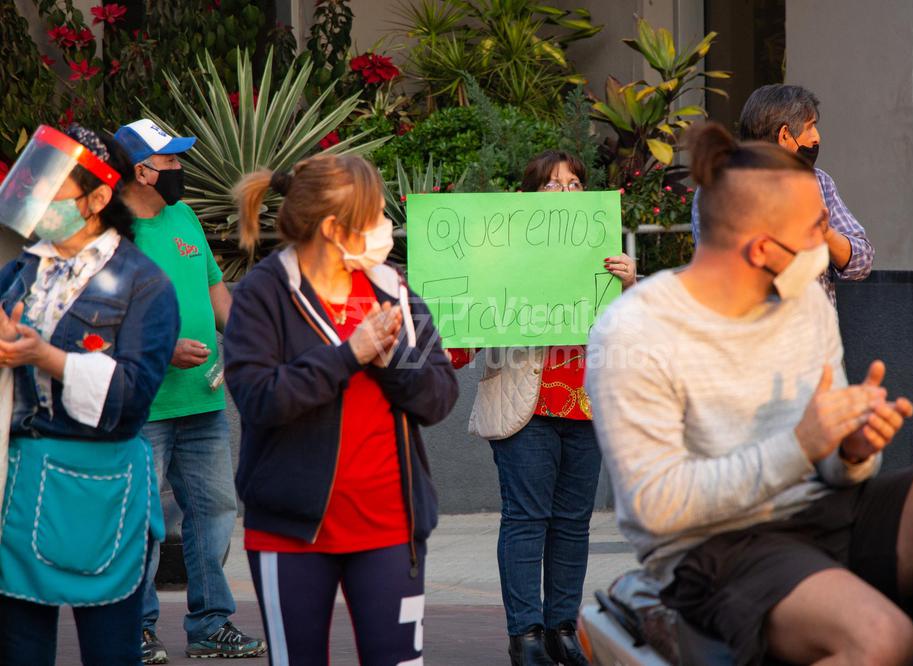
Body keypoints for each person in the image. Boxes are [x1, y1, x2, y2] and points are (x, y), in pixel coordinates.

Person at [586, 123, 913, 665]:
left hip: (826, 514)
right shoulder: (635, 331)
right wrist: (801, 444)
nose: (828, 242)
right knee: (883, 639)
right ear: (761, 248)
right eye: (816, 229)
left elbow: (834, 467)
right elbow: (657, 507)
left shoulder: (805, 303)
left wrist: (850, 449)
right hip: (717, 549)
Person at [225, 153, 458, 665]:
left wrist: (390, 361)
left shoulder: (391, 288)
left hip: (391, 528)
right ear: (333, 228)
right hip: (290, 532)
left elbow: (440, 395)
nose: (385, 227)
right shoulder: (266, 292)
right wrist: (348, 355)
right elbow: (259, 398)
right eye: (374, 215)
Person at [0, 124, 179, 665]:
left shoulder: (145, 284)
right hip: (20, 483)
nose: (38, 200)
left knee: (110, 651)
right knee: (19, 651)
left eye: (53, 190)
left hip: (102, 489)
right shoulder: (20, 271)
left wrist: (45, 357)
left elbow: (131, 399)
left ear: (98, 199)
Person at [449, 150, 637, 666]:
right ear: (526, 198)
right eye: (553, 185)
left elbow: (635, 333)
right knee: (527, 519)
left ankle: (562, 630)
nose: (566, 194)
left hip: (586, 405)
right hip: (523, 404)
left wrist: (630, 286)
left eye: (575, 185)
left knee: (574, 523)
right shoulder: (498, 255)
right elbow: (465, 331)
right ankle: (526, 635)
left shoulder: (604, 257)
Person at [114, 118, 265, 662]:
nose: (181, 169)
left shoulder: (185, 217)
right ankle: (135, 628)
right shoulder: (111, 233)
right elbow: (99, 320)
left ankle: (210, 624)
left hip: (203, 400)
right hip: (144, 405)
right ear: (142, 171)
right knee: (141, 523)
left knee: (215, 512)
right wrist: (162, 348)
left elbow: (215, 291)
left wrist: (253, 342)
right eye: (172, 161)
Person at [690, 84, 874, 304]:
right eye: (810, 126)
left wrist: (826, 233)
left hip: (813, 323)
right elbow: (726, 269)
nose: (817, 137)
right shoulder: (721, 185)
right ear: (785, 134)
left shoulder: (819, 181)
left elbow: (862, 262)